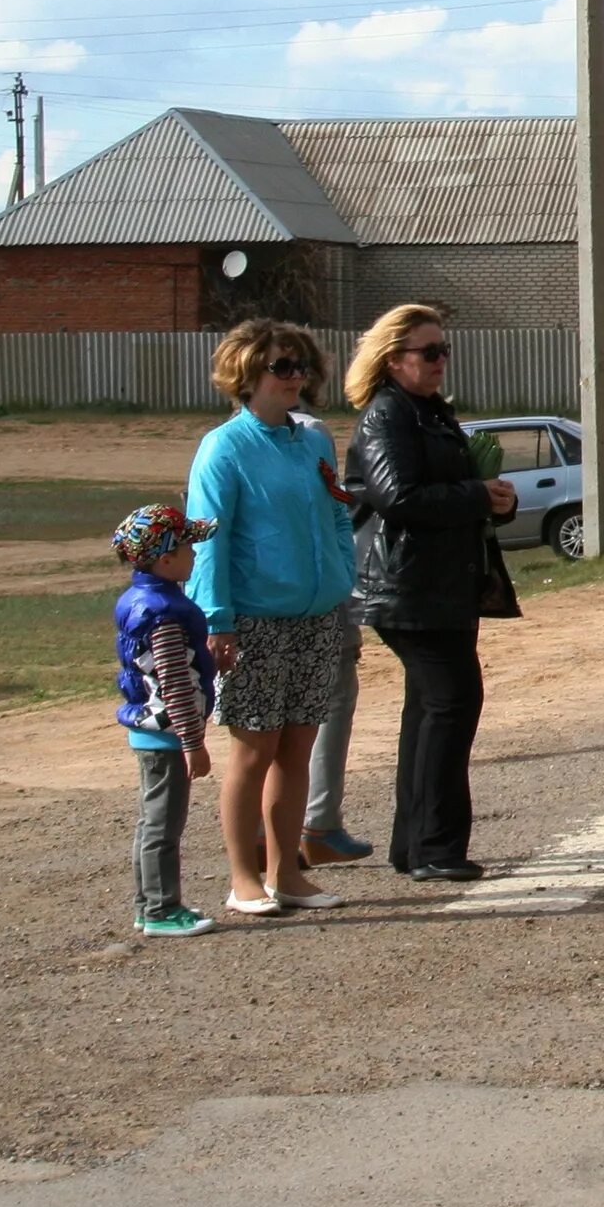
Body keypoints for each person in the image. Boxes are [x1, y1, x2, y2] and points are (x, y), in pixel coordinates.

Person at [188, 320, 361, 918]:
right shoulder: (223, 448)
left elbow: (338, 512)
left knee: (298, 749)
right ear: (247, 375)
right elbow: (208, 539)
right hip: (255, 621)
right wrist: (217, 619)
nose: (296, 378)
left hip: (317, 615)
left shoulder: (314, 440)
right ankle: (243, 879)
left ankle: (287, 873)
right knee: (253, 753)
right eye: (281, 368)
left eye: (301, 367)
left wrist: (341, 573)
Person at [344, 303, 518, 885]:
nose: (441, 361)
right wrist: (473, 495)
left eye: (444, 350)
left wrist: (494, 498)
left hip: (441, 584)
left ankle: (415, 844)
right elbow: (400, 498)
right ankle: (437, 847)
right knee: (451, 704)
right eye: (430, 352)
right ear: (394, 359)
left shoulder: (427, 412)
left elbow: (444, 486)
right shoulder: (387, 415)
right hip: (407, 587)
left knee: (429, 711)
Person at [115, 504, 221, 937]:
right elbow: (173, 683)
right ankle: (161, 910)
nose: (195, 556)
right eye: (188, 548)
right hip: (166, 736)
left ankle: (149, 905)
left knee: (151, 823)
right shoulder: (164, 613)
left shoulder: (144, 601)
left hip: (151, 732)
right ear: (165, 560)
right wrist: (193, 741)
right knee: (162, 826)